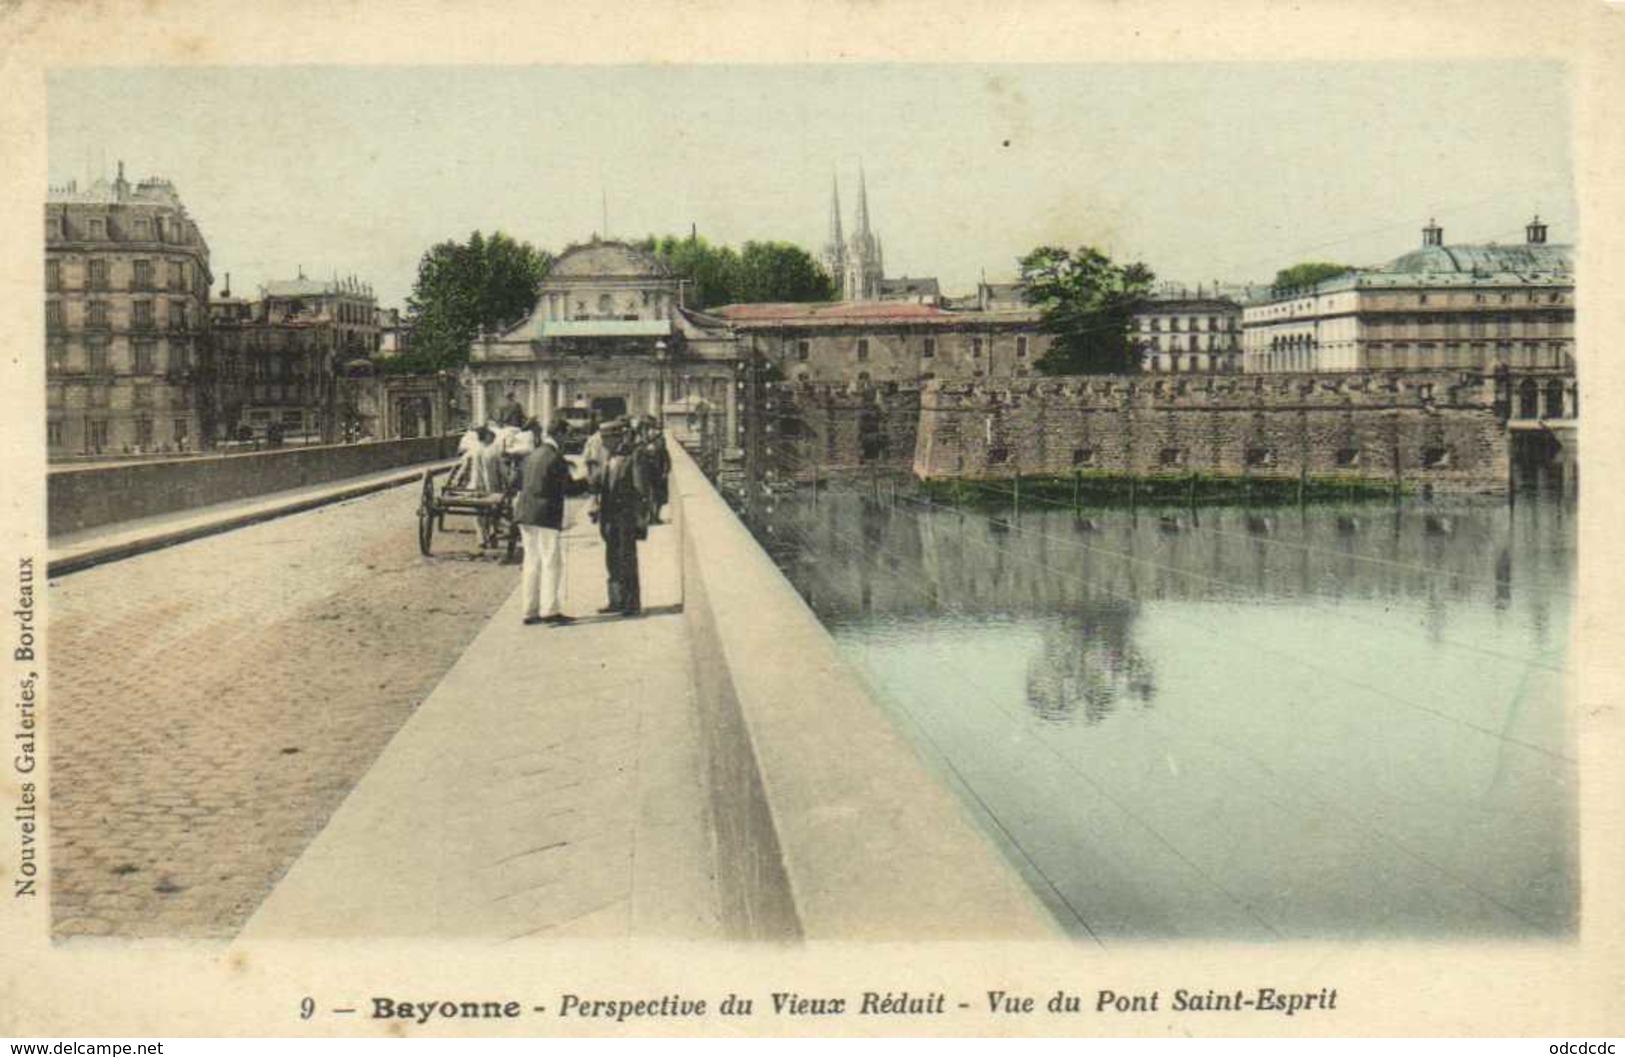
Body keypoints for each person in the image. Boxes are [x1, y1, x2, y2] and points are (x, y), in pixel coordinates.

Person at [513, 417, 574, 627]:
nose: (568, 439)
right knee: (551, 562)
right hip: (546, 515)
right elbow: (571, 488)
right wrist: (590, 481)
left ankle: (529, 611)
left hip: (525, 514)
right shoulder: (556, 458)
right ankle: (550, 610)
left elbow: (517, 483)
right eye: (567, 435)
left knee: (531, 562)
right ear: (560, 434)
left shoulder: (530, 456)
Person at [597, 420, 646, 616]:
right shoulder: (609, 456)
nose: (602, 443)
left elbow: (640, 489)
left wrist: (640, 518)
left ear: (616, 437)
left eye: (605, 439)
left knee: (627, 559)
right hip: (609, 516)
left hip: (626, 516)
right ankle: (615, 600)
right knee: (612, 559)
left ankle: (631, 603)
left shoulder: (633, 455)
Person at [641, 420, 671, 525]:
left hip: (658, 473)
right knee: (650, 496)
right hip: (649, 474)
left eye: (657, 430)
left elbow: (665, 457)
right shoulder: (644, 442)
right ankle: (651, 517)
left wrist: (666, 471)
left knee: (658, 497)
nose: (654, 432)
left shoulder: (659, 441)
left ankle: (655, 517)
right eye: (652, 429)